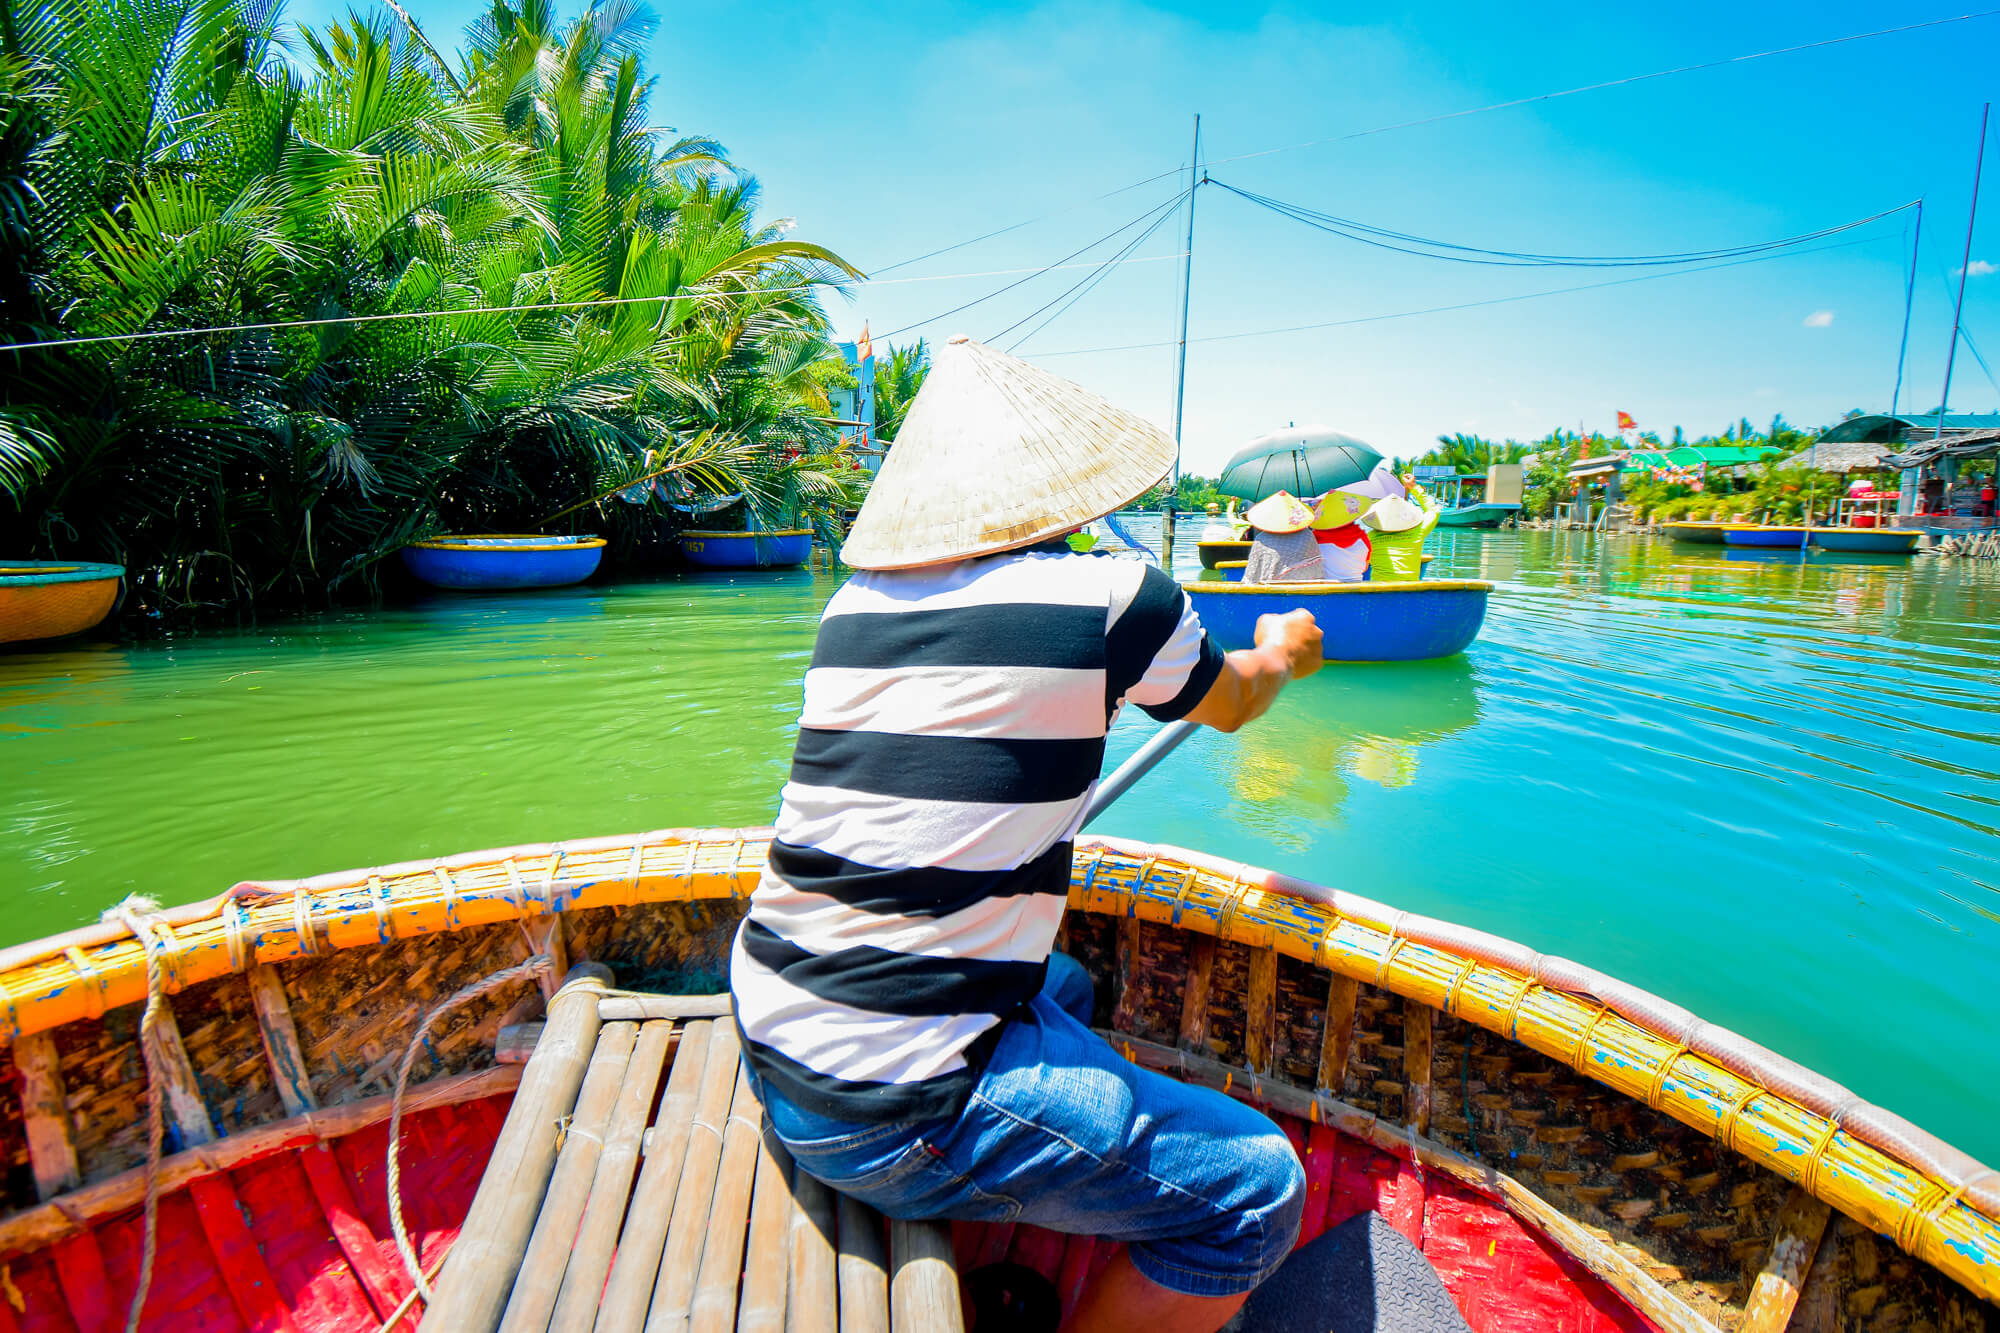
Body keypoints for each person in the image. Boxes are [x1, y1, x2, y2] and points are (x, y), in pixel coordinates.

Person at [730, 335, 1323, 1333]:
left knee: (1070, 986)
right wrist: (1280, 649)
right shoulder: (1116, 594)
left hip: (775, 1030)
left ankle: (1019, 1201)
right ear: (1067, 488)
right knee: (1253, 1193)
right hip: (887, 1107)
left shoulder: (852, 606)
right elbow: (1229, 703)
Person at [1241, 491, 1324, 583]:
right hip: (1301, 589)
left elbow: (1252, 575)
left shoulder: (1261, 538)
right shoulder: (1307, 535)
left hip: (1269, 590)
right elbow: (1316, 571)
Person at [1362, 492, 1439, 582]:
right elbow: (1434, 510)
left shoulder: (1370, 537)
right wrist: (1413, 487)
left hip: (1379, 591)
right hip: (1410, 591)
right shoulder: (1418, 532)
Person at [1309, 489, 1371, 582]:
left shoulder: (1315, 538)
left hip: (1326, 590)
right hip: (1357, 588)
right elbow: (1365, 567)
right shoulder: (1363, 538)